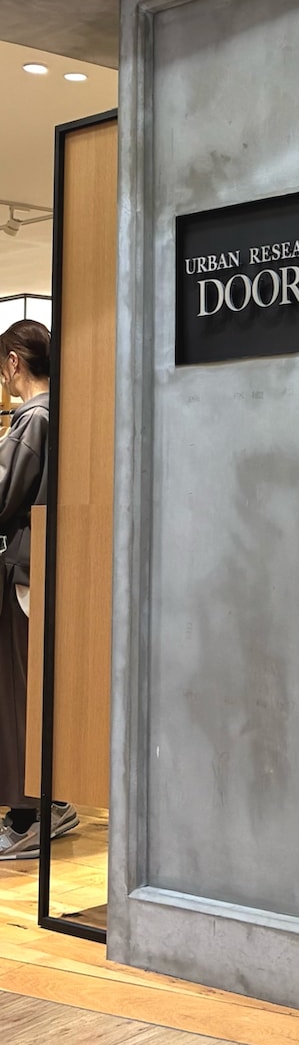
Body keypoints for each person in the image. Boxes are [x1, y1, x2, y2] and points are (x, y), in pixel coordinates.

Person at [0, 321, 78, 859]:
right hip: (48, 570)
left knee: (21, 695)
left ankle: (28, 815)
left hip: (26, 571)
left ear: (13, 362)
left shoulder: (33, 417)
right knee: (41, 691)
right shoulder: (64, 412)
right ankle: (51, 800)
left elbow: (4, 495)